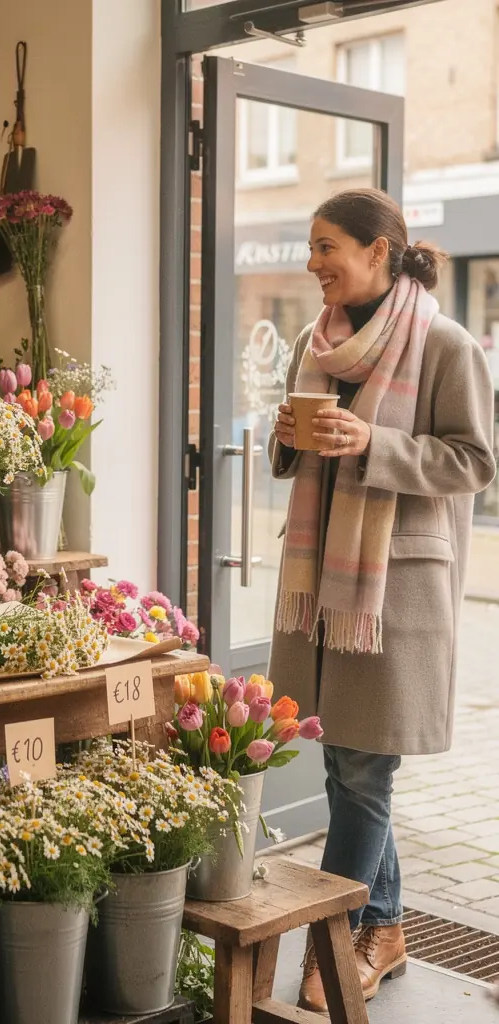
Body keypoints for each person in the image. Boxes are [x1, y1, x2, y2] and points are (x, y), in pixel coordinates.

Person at [270, 188, 496, 1013]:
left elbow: (474, 460)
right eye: (310, 245)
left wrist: (378, 444)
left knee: (364, 766)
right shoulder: (313, 340)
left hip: (390, 589)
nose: (312, 261)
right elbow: (286, 443)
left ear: (378, 251)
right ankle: (386, 925)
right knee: (343, 760)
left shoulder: (445, 344)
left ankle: (330, 948)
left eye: (327, 244)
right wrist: (285, 440)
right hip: (321, 581)